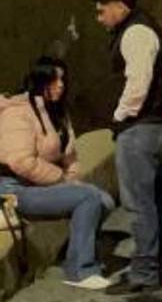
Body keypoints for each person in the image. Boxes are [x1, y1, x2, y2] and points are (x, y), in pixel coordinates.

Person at [0, 57, 116, 289]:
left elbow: (70, 155)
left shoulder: (57, 112)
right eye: (54, 79)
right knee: (87, 198)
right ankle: (80, 270)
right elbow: (20, 161)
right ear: (39, 81)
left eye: (63, 79)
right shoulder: (17, 113)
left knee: (104, 200)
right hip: (14, 191)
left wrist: (71, 180)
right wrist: (61, 180)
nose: (60, 85)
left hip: (42, 185)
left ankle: (76, 253)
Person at [92, 0, 162, 293]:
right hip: (160, 122)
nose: (99, 18)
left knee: (139, 202)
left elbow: (137, 84)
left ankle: (144, 271)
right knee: (157, 196)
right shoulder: (152, 27)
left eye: (102, 11)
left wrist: (118, 117)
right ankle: (158, 261)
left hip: (141, 127)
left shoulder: (136, 33)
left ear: (119, 7)